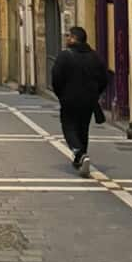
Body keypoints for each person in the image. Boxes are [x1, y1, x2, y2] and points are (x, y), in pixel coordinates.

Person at [51, 26, 108, 177]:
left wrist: (61, 94)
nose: (67, 39)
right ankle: (81, 159)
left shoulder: (64, 56)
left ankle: (80, 153)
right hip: (89, 100)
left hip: (69, 99)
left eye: (69, 36)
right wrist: (96, 93)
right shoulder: (95, 57)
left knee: (69, 127)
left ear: (74, 39)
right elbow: (104, 78)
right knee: (83, 129)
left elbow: (56, 78)